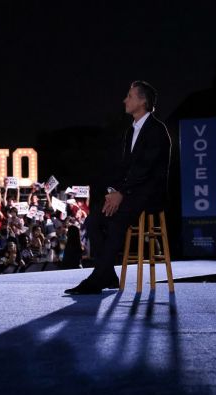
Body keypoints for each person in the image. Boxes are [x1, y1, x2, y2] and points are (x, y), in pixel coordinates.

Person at [65, 80, 171, 295]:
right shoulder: (131, 131)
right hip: (130, 193)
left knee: (116, 221)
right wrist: (114, 190)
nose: (125, 100)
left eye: (130, 96)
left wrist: (122, 193)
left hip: (148, 195)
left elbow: (145, 170)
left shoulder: (157, 131)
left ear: (143, 101)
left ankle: (96, 279)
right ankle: (109, 275)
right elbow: (125, 168)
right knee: (94, 220)